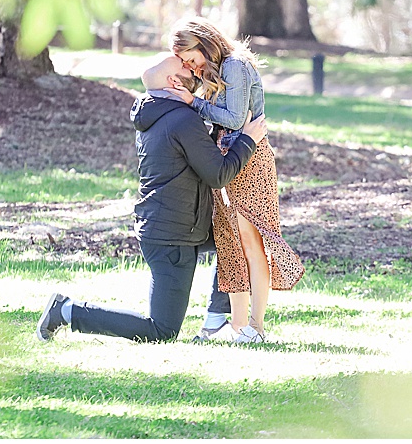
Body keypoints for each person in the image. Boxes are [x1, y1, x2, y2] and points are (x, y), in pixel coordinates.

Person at [37, 54, 267, 343]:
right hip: (173, 236)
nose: (191, 67)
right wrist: (248, 139)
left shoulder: (155, 114)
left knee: (236, 238)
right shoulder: (181, 119)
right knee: (161, 330)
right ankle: (67, 311)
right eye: (184, 66)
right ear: (173, 81)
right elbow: (218, 174)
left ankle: (216, 318)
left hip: (175, 225)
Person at [166, 17, 305, 343]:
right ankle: (239, 327)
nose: (189, 65)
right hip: (228, 162)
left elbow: (235, 118)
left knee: (253, 244)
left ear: (204, 43)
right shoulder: (211, 72)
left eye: (190, 57)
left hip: (251, 161)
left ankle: (256, 327)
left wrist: (193, 102)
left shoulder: (235, 66)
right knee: (231, 247)